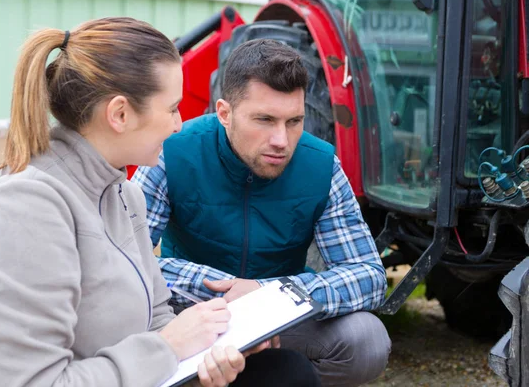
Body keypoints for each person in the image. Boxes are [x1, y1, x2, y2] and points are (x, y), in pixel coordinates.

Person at [0, 19, 321, 387]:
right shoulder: (25, 208)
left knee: (284, 372)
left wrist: (206, 353)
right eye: (171, 108)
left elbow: (155, 320)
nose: (178, 124)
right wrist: (169, 347)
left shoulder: (124, 194)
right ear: (119, 114)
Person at [132, 39, 392, 387]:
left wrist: (267, 293)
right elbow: (125, 261)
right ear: (224, 113)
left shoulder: (321, 165)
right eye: (265, 120)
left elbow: (368, 276)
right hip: (189, 314)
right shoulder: (174, 151)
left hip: (280, 320)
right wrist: (216, 289)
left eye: (294, 121)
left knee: (367, 339)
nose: (282, 140)